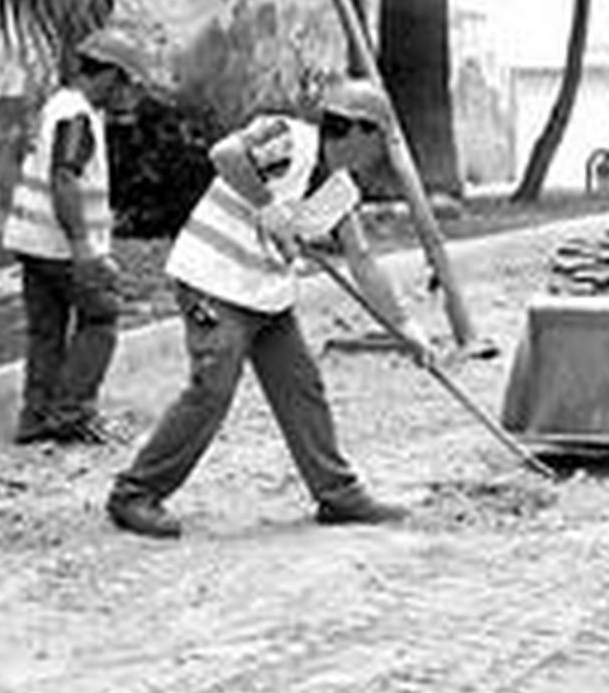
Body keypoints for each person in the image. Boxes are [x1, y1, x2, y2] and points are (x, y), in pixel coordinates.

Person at [105, 78, 432, 539]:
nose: (383, 151)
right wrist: (267, 205)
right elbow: (225, 154)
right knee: (212, 388)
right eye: (382, 137)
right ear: (358, 130)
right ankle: (134, 493)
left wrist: (404, 325)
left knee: (302, 387)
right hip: (212, 283)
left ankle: (337, 495)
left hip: (267, 297)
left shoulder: (338, 189)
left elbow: (362, 260)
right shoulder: (290, 137)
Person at [4, 27, 160, 445]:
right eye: (127, 82)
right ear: (109, 75)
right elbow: (64, 178)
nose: (129, 93)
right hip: (60, 246)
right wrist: (83, 249)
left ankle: (35, 417)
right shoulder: (78, 117)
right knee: (101, 318)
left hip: (30, 240)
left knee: (46, 330)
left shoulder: (59, 105)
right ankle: (72, 414)